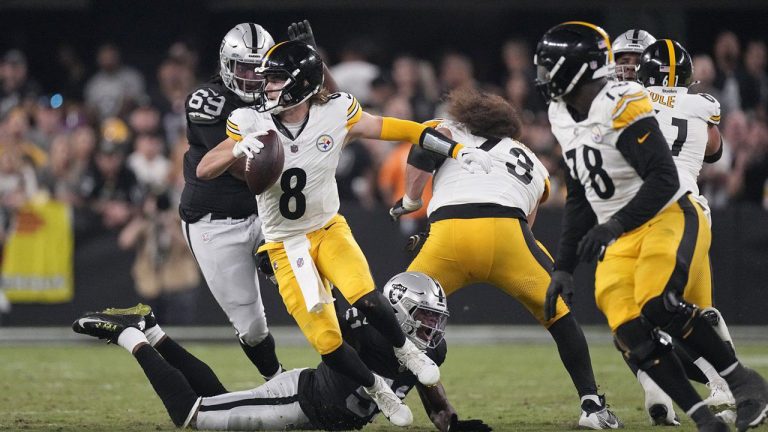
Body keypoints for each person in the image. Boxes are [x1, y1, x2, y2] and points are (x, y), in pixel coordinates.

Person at [197, 40, 491, 426]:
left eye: (276, 79)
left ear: (301, 84)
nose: (266, 87)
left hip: (327, 229)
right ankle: (377, 389)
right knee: (327, 340)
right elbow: (204, 168)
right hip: (286, 245)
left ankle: (406, 351)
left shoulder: (336, 112)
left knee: (365, 296)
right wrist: (237, 151)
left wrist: (456, 150)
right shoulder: (250, 122)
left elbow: (401, 129)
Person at [534, 21, 768, 432]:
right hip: (620, 230)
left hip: (665, 214)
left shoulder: (624, 102)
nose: (541, 76)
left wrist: (612, 227)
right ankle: (703, 418)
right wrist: (564, 266)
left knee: (657, 302)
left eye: (548, 67)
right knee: (629, 330)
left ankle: (742, 382)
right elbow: (578, 194)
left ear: (578, 68)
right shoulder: (559, 114)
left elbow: (664, 178)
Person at [390, 86, 621, 429]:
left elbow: (423, 148)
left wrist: (411, 200)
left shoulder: (446, 131)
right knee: (560, 315)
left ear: (464, 116)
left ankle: (386, 391)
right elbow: (528, 221)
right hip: (507, 232)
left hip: (449, 234)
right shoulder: (530, 158)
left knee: (398, 315)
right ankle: (591, 404)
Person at [71, 272, 492, 432]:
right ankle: (130, 336)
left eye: (436, 319)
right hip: (298, 401)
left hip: (319, 418)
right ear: (397, 312)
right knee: (193, 416)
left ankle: (153, 329)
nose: (433, 328)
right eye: (425, 317)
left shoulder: (431, 352)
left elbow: (434, 399)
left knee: (218, 402)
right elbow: (325, 321)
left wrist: (452, 424)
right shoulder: (365, 327)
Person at [179, 21, 332, 382]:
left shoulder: (280, 89)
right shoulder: (208, 102)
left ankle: (348, 364)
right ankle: (278, 381)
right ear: (225, 65)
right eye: (242, 68)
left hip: (267, 214)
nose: (249, 78)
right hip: (214, 221)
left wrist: (313, 64)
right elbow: (246, 170)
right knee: (251, 327)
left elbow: (334, 105)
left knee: (317, 291)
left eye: (256, 68)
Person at [626, 38, 737, 425]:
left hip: (643, 211)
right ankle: (729, 385)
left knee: (635, 311)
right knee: (700, 309)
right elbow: (714, 150)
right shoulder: (703, 104)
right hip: (692, 210)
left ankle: (657, 391)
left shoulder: (628, 99)